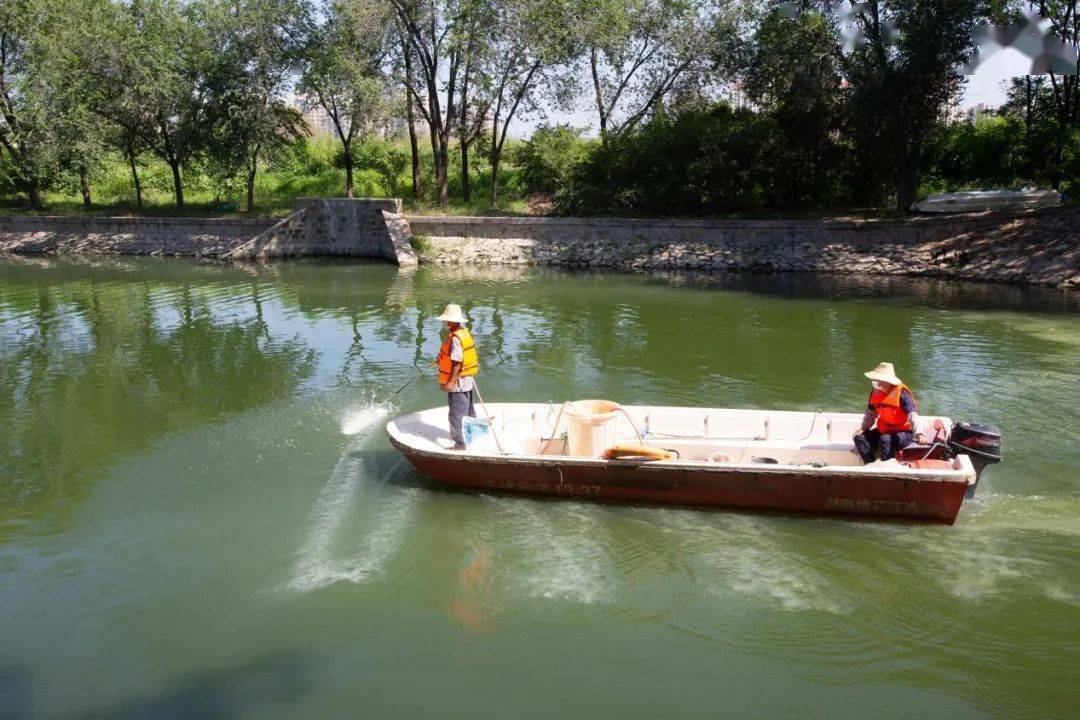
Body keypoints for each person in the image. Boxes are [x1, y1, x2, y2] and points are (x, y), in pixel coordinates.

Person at [853, 362, 927, 463]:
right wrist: (863, 428)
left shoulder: (902, 393)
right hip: (884, 430)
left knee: (885, 439)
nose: (876, 382)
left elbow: (912, 415)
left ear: (887, 381)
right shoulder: (875, 392)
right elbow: (870, 413)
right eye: (875, 380)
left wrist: (920, 434)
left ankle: (887, 468)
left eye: (878, 380)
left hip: (904, 432)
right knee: (859, 437)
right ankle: (870, 465)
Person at [435, 303, 479, 450]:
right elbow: (456, 356)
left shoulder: (455, 338)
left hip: (458, 383)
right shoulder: (464, 332)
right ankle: (472, 436)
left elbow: (457, 362)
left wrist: (450, 382)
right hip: (467, 380)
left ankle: (460, 444)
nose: (445, 322)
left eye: (447, 320)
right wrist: (441, 359)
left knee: (456, 414)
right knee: (468, 411)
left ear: (452, 321)